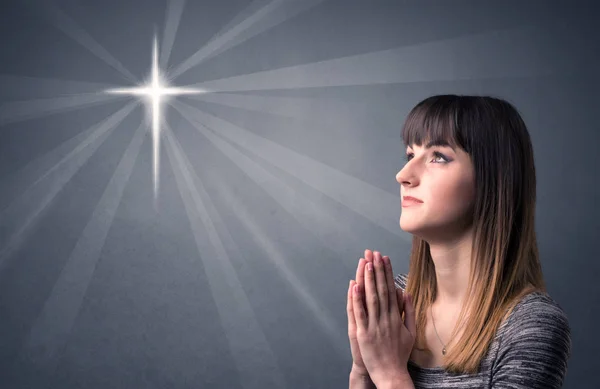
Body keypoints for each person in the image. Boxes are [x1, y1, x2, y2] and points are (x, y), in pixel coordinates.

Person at [346, 95, 572, 389]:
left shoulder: (530, 326)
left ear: (493, 178)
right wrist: (363, 372)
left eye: (438, 157)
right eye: (410, 154)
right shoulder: (394, 303)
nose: (403, 175)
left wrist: (389, 375)